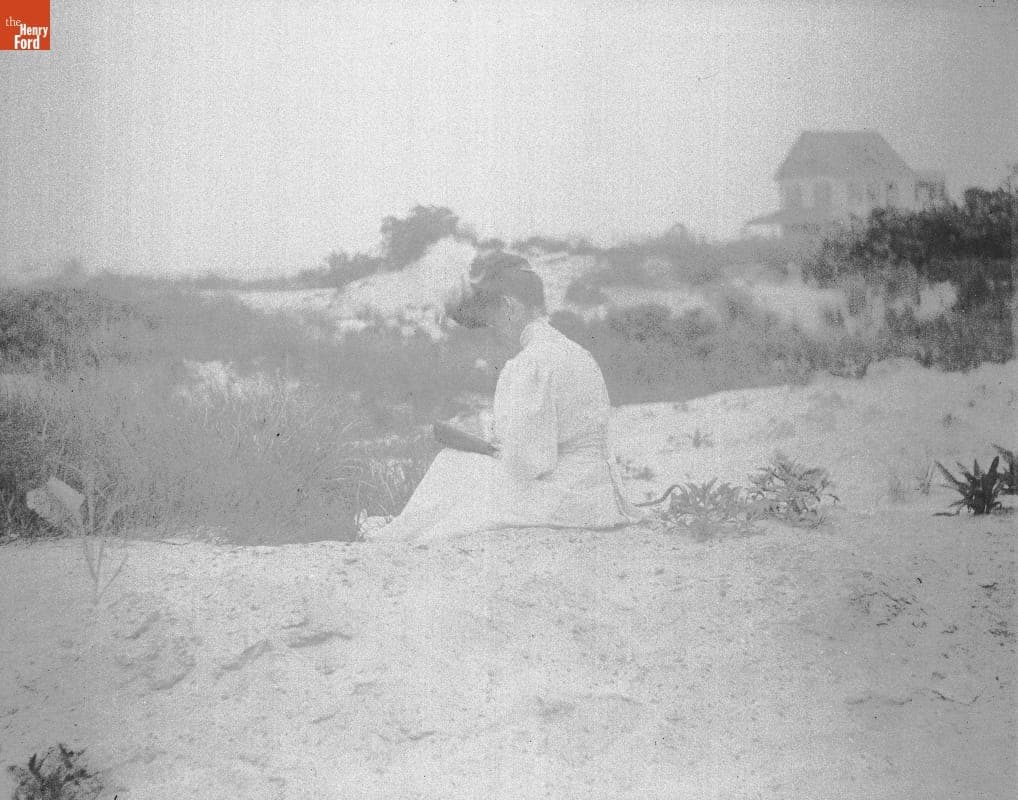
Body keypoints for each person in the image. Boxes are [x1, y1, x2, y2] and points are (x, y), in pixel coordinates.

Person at [367, 252, 642, 543]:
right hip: (600, 492)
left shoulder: (530, 363)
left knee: (452, 464)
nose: (494, 330)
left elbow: (530, 463)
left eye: (493, 319)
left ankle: (393, 537)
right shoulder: (576, 352)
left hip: (568, 497)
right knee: (465, 476)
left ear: (509, 307)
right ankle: (400, 529)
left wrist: (497, 451)